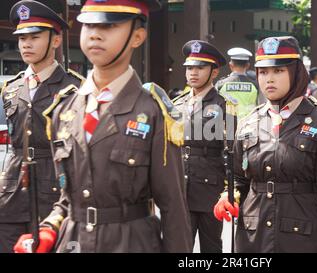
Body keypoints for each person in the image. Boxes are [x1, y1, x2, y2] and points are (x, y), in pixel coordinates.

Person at [14, 0, 192, 253]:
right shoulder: (64, 109)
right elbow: (67, 198)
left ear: (137, 36)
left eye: (109, 25)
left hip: (131, 242)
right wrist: (49, 228)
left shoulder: (153, 112)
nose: (95, 34)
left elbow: (173, 208)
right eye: (88, 25)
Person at [213, 36, 317, 253]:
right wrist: (230, 195)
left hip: (301, 236)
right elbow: (238, 177)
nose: (269, 79)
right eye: (263, 72)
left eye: (278, 71)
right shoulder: (249, 123)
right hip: (252, 236)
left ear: (295, 73)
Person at [0, 0, 83, 253]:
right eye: (22, 38)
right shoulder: (11, 88)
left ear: (56, 41)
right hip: (13, 188)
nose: (26, 44)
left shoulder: (74, 89)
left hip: (54, 189)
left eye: (34, 37)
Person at [173, 40, 237, 253]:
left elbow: (231, 151)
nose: (193, 72)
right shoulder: (177, 104)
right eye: (189, 68)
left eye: (200, 68)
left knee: (211, 247)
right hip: (180, 187)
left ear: (214, 72)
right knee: (179, 246)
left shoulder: (224, 105)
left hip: (211, 187)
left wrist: (229, 190)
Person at [215, 47, 261, 120]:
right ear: (247, 65)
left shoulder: (220, 84)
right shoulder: (256, 85)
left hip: (228, 125)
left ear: (231, 65)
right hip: (249, 125)